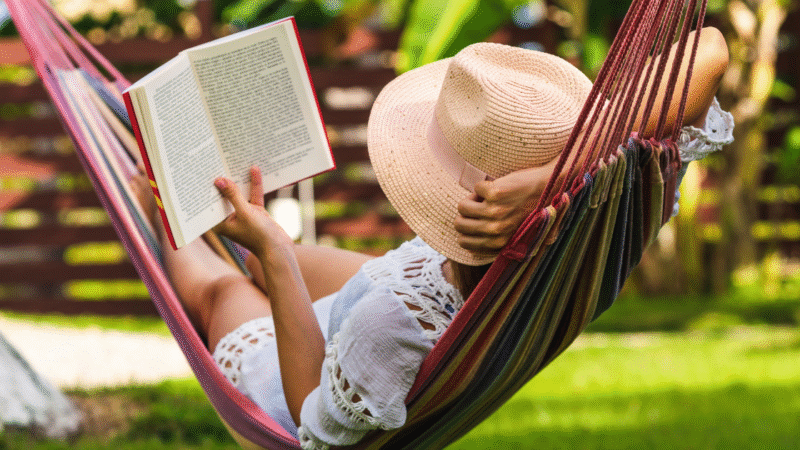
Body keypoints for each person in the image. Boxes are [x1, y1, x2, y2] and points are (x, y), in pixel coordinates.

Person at [131, 27, 732, 450]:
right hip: (411, 280)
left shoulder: (390, 328)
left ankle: (154, 202)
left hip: (314, 363)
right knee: (258, 258)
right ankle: (238, 233)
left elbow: (314, 427)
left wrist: (275, 254)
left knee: (227, 289)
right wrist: (558, 175)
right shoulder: (602, 215)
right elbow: (711, 48)